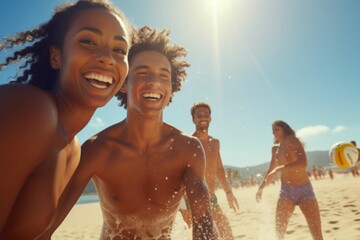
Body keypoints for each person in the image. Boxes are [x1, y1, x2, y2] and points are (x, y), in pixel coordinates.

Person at [42, 26, 219, 240]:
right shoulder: (97, 150)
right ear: (125, 82)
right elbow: (46, 226)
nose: (154, 82)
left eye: (164, 76)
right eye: (143, 73)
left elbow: (203, 220)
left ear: (171, 87)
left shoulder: (187, 149)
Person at [0, 0, 132, 238]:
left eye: (120, 50)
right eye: (88, 41)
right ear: (56, 57)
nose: (108, 58)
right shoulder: (30, 110)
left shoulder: (73, 149)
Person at [256, 120, 323, 240]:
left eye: (277, 130)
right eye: (273, 131)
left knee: (317, 234)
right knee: (279, 231)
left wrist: (281, 168)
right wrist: (261, 187)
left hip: (304, 190)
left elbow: (303, 162)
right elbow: (271, 169)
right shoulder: (275, 149)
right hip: (286, 192)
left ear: (285, 129)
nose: (274, 133)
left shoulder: (292, 140)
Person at [180, 102, 239, 239]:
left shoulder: (215, 143)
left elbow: (219, 169)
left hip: (211, 199)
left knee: (227, 235)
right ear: (193, 119)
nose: (203, 117)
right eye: (199, 115)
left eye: (206, 115)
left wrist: (228, 192)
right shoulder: (188, 142)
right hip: (191, 203)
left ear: (210, 118)